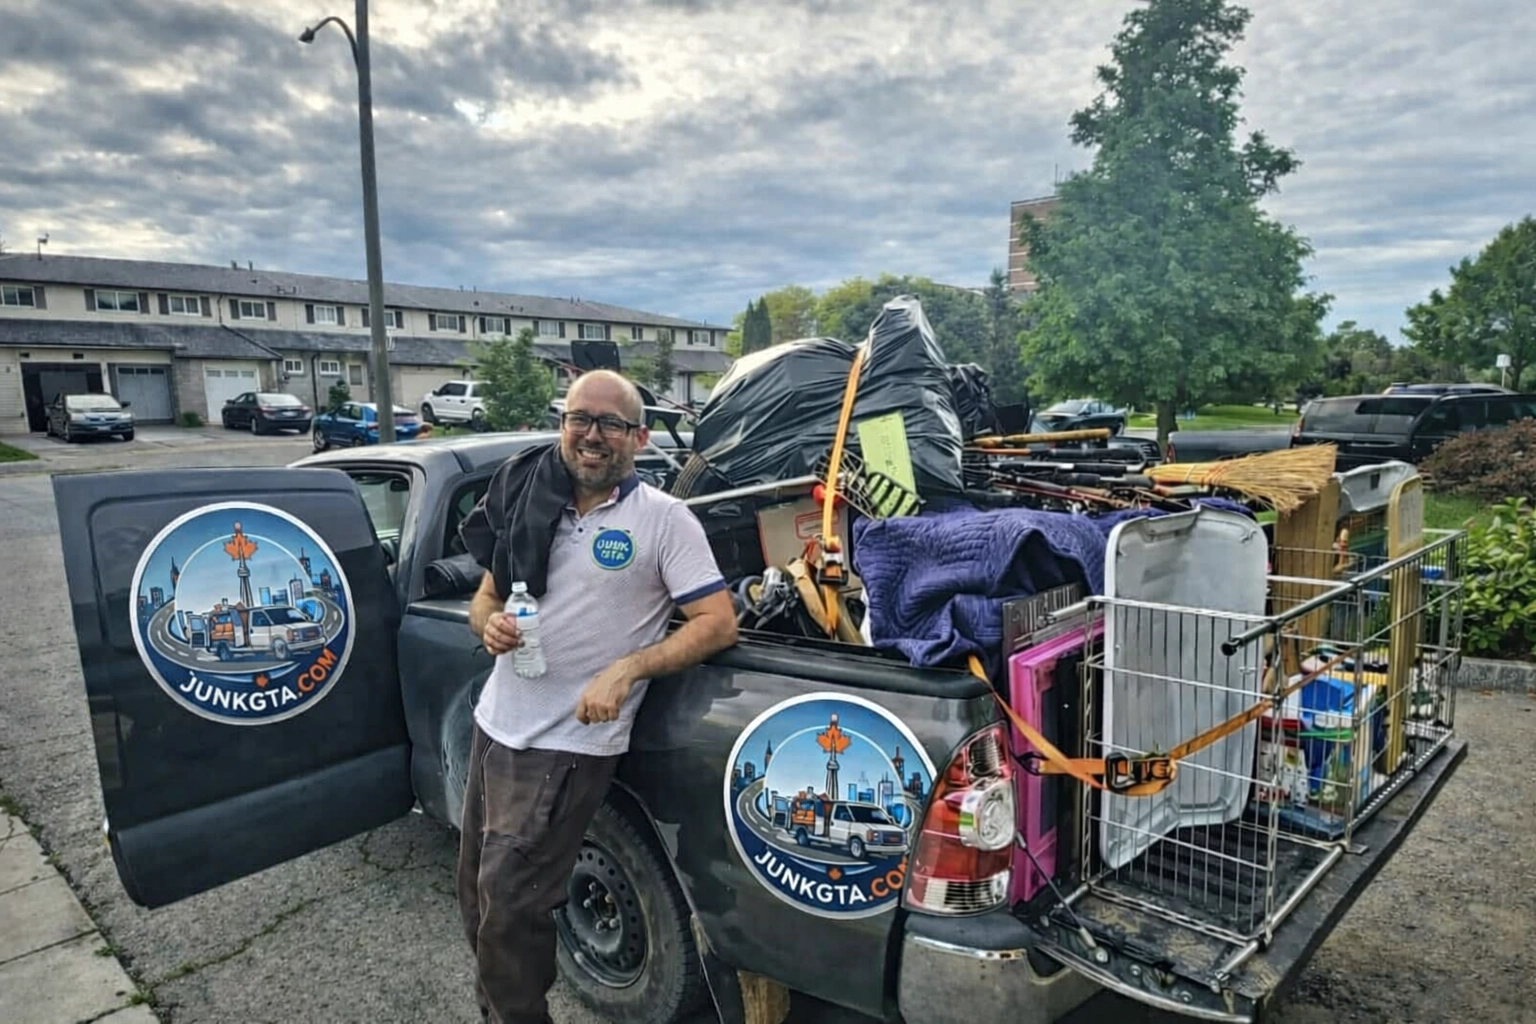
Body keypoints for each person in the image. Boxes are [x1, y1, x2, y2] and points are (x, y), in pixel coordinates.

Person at [455, 369, 738, 1024]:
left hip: (568, 745)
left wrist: (628, 670)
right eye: (579, 418)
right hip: (496, 727)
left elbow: (719, 622)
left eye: (611, 423)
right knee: (478, 901)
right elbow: (487, 599)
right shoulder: (534, 502)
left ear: (639, 437)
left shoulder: (664, 521)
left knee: (510, 907)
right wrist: (488, 625)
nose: (591, 434)